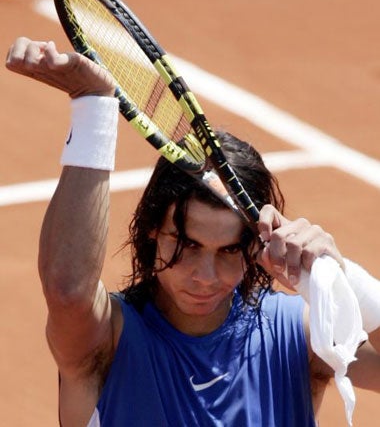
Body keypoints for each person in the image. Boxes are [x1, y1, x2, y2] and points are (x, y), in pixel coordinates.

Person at [6, 37, 380, 427]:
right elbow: (68, 291)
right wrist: (93, 105)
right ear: (152, 230)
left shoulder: (297, 337)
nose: (205, 276)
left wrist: (345, 276)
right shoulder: (106, 342)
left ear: (254, 248)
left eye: (228, 251)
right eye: (187, 246)